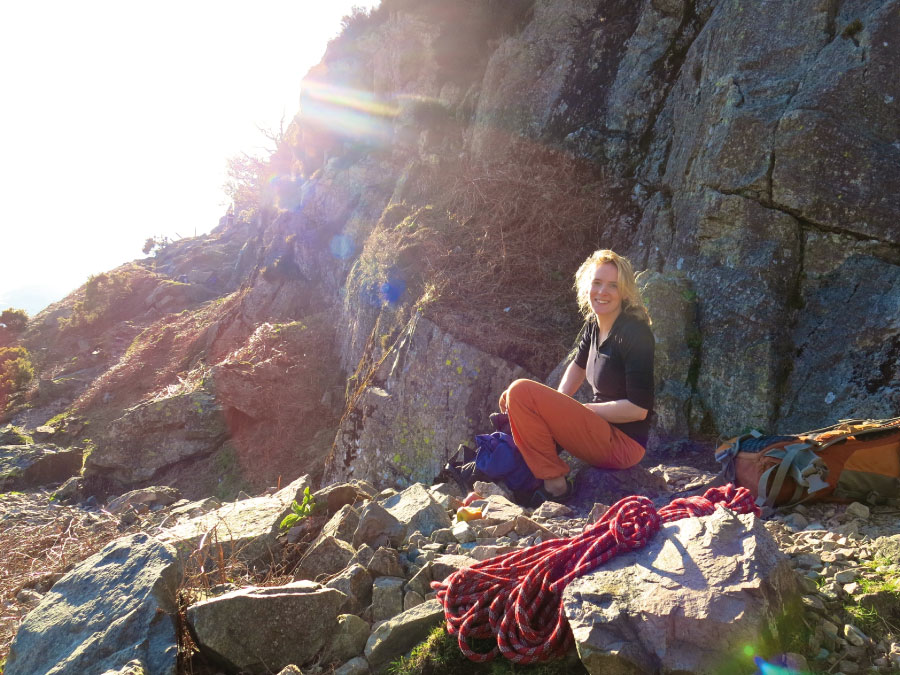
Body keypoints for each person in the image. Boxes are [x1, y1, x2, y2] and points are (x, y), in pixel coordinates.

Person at [498, 249, 654, 500]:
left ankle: (555, 486)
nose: (602, 291)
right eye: (597, 282)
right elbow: (578, 366)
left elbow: (638, 410)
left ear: (624, 292)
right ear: (586, 285)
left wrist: (579, 409)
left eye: (612, 286)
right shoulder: (595, 324)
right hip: (600, 431)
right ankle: (534, 479)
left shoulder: (635, 334)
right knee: (514, 397)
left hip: (624, 444)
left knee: (520, 390)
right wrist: (556, 406)